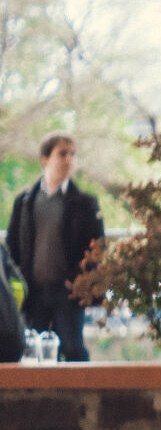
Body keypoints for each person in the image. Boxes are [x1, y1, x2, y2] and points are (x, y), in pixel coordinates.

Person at [6, 131, 104, 363]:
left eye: (72, 154)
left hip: (68, 292)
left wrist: (82, 283)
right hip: (34, 292)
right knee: (30, 353)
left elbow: (97, 248)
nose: (69, 159)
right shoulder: (25, 201)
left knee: (73, 351)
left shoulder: (85, 203)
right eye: (62, 154)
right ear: (45, 158)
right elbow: (12, 247)